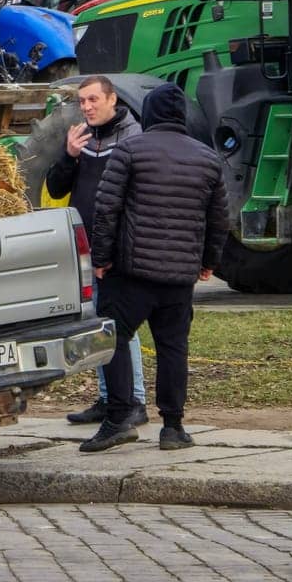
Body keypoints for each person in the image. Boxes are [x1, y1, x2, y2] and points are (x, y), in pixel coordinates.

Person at [82, 83, 227, 452]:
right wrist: (208, 262)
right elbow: (219, 219)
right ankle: (174, 428)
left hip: (132, 274)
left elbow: (106, 208)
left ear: (149, 113)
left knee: (112, 338)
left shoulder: (130, 149)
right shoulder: (208, 158)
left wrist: (101, 259)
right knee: (173, 348)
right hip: (179, 278)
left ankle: (118, 419)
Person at [45, 75, 147, 426]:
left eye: (93, 100)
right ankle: (109, 398)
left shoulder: (134, 140)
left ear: (112, 99)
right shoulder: (83, 140)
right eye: (82, 101)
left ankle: (134, 401)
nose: (87, 107)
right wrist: (69, 156)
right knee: (97, 324)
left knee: (120, 327)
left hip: (116, 250)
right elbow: (57, 188)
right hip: (87, 248)